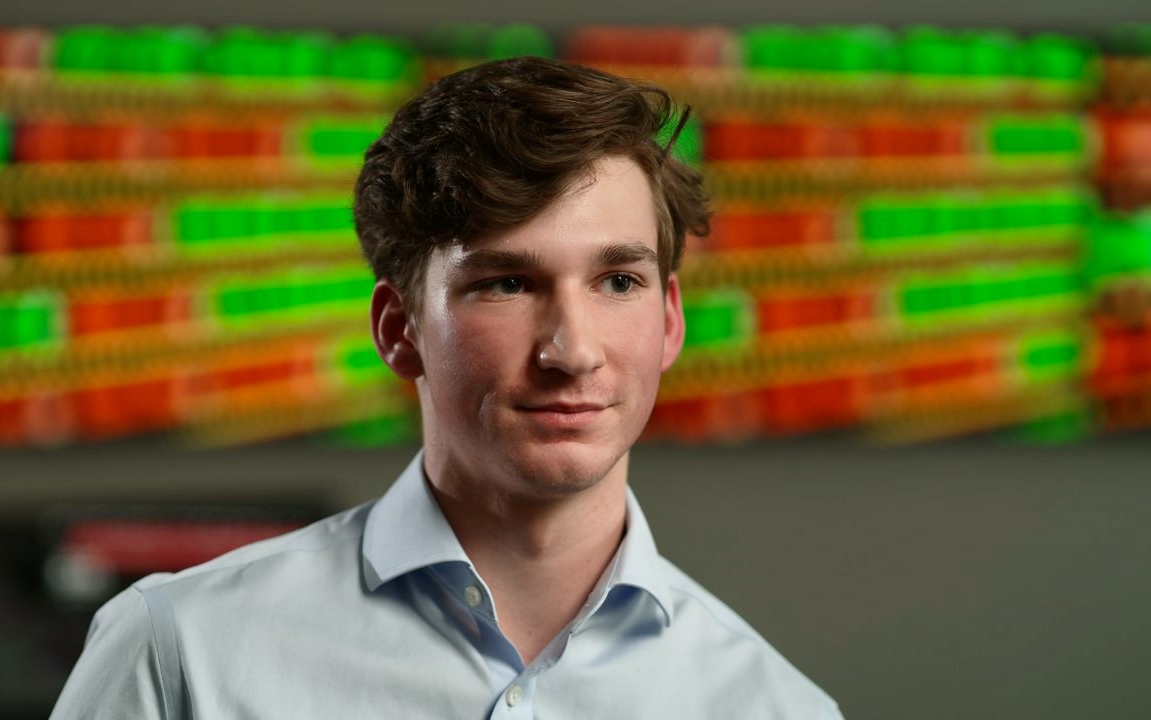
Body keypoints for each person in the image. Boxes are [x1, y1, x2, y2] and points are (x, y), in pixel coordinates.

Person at [50, 56, 843, 719]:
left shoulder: (775, 707)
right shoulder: (180, 652)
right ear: (399, 329)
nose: (572, 350)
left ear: (669, 321)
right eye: (506, 283)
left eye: (618, 280)